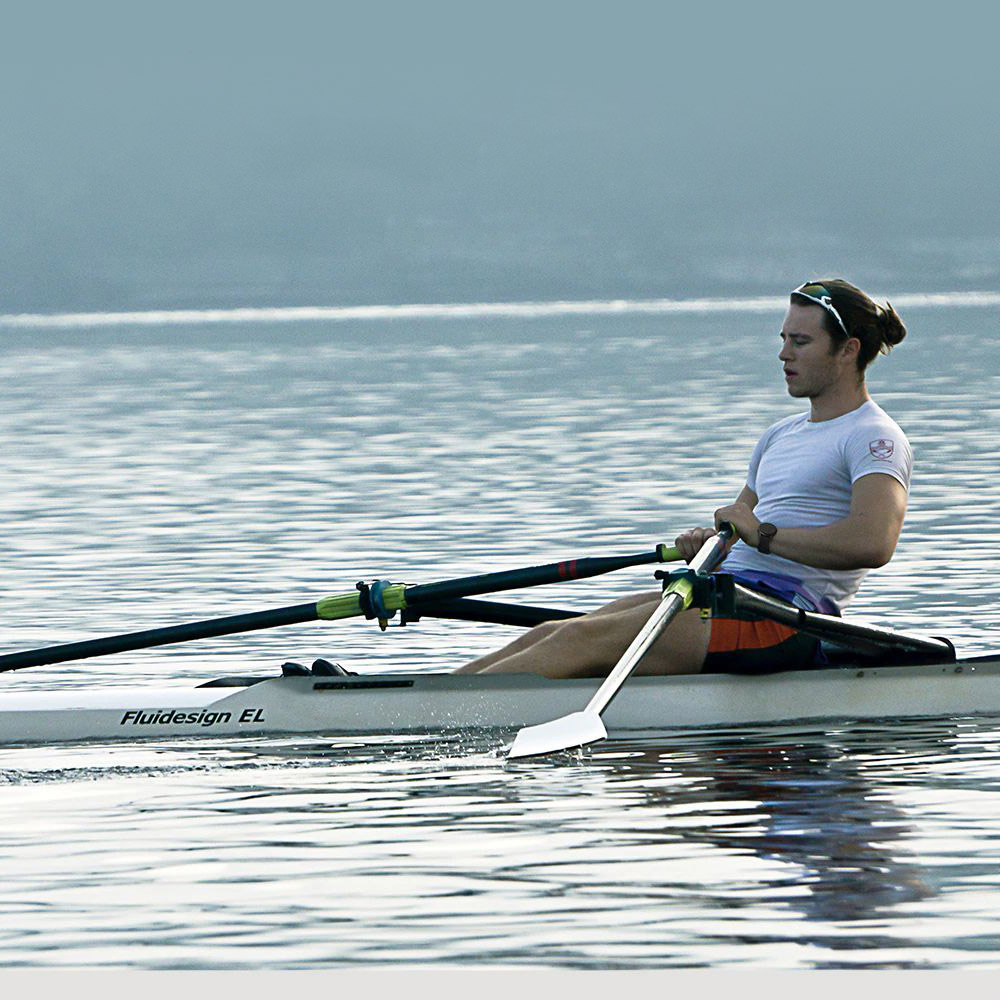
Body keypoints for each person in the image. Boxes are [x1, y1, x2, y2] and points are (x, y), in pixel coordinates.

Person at [457, 279, 911, 678]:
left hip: (784, 616)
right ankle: (420, 705)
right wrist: (709, 542)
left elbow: (873, 543)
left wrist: (763, 535)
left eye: (801, 342)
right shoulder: (779, 436)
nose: (783, 353)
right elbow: (738, 529)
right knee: (561, 630)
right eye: (784, 339)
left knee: (578, 644)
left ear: (848, 349)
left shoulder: (873, 436)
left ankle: (435, 720)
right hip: (723, 591)